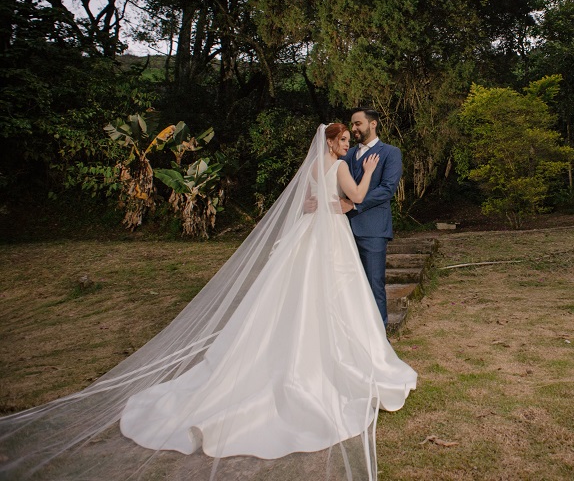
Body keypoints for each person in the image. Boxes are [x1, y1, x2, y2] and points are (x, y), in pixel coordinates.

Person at [0, 123, 417, 480]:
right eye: (343, 140)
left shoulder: (311, 168)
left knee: (298, 296)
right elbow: (359, 197)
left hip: (308, 236)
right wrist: (369, 172)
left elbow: (309, 203)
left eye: (348, 140)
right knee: (334, 296)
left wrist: (327, 204)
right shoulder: (343, 165)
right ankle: (337, 361)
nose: (348, 145)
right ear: (333, 144)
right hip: (331, 239)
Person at [341, 109, 402, 328]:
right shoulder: (346, 155)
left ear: (373, 124)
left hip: (373, 229)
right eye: (352, 124)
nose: (354, 128)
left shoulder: (390, 153)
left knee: (374, 283)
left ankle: (379, 336)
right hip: (342, 228)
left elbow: (387, 189)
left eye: (358, 124)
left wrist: (354, 203)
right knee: (347, 284)